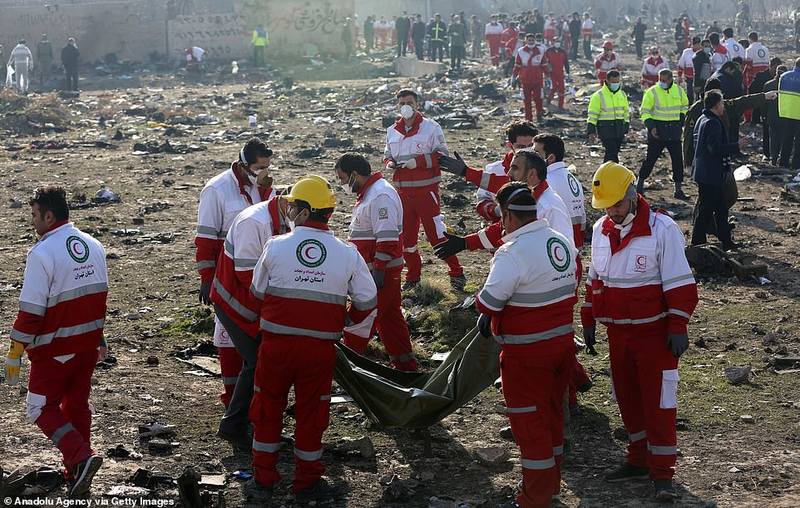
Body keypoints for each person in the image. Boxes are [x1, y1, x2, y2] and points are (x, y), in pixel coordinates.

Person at [245, 176, 377, 505]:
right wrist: (345, 319)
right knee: (311, 414)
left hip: (276, 347)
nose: (287, 210)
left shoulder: (275, 246)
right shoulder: (348, 253)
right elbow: (368, 300)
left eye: (292, 206)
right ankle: (307, 480)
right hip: (319, 350)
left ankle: (263, 478)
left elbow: (256, 293)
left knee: (267, 407)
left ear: (304, 212)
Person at [581, 162, 698, 502]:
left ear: (633, 196)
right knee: (628, 399)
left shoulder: (662, 229)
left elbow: (680, 282)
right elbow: (595, 280)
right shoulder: (601, 230)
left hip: (655, 336)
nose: (613, 212)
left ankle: (662, 473)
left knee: (660, 403)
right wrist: (589, 317)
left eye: (617, 204)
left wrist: (678, 325)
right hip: (617, 335)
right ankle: (638, 459)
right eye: (607, 207)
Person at [475, 181, 578, 508]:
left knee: (529, 426)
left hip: (526, 356)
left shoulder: (512, 253)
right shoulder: (560, 242)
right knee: (552, 418)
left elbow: (489, 302)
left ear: (508, 216)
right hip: (561, 347)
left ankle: (535, 498)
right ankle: (552, 486)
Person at [6, 185, 108, 497]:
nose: (32, 221)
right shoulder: (93, 245)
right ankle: (76, 470)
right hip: (87, 346)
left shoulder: (42, 254)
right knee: (76, 405)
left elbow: (32, 311)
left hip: (55, 349)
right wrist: (99, 339)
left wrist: (15, 351)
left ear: (49, 216)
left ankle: (81, 456)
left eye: (35, 215)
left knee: (39, 407)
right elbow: (93, 298)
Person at [195, 138, 275, 411]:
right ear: (243, 164)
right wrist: (207, 278)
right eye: (258, 167)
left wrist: (265, 191)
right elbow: (205, 238)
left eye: (266, 166)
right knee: (228, 335)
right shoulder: (217, 190)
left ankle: (250, 393)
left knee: (253, 332)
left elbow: (270, 219)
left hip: (256, 271)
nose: (263, 172)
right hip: (227, 275)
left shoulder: (264, 187)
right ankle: (232, 395)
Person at [210, 192, 287, 449]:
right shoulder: (253, 223)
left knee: (261, 360)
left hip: (253, 300)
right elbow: (246, 276)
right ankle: (234, 425)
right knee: (257, 361)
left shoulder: (288, 218)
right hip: (234, 300)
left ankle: (252, 422)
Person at [334, 154, 417, 371]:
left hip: (379, 273)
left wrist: (378, 269)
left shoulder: (380, 195)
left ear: (354, 174)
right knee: (389, 319)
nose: (342, 184)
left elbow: (387, 237)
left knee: (362, 318)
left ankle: (349, 367)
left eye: (342, 178)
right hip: (378, 270)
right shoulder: (371, 193)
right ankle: (405, 366)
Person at [383, 89, 465, 290]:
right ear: (397, 105)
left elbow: (442, 157)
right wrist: (389, 163)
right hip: (402, 194)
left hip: (426, 192)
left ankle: (457, 273)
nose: (406, 106)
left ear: (417, 104)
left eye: (409, 102)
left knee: (437, 235)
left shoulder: (431, 128)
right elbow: (387, 154)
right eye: (402, 102)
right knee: (407, 240)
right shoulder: (392, 131)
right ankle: (413, 277)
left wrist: (418, 162)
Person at [690, 90, 747, 250]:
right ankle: (697, 242)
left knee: (720, 209)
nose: (723, 106)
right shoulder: (713, 122)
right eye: (722, 103)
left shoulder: (703, 118)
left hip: (705, 172)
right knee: (707, 210)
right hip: (711, 174)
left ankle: (726, 241)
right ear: (716, 105)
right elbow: (714, 149)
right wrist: (737, 146)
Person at [682, 77, 775, 172]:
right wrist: (688, 162)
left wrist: (764, 96)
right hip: (705, 161)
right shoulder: (697, 111)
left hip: (719, 161)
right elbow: (689, 136)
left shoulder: (723, 106)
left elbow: (742, 102)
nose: (722, 100)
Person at [637, 69, 689, 199]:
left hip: (674, 131)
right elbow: (644, 111)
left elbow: (685, 106)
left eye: (664, 80)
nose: (662, 83)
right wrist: (651, 127)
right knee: (650, 159)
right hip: (658, 132)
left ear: (671, 79)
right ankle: (639, 184)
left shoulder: (678, 90)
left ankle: (678, 190)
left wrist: (681, 119)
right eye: (660, 80)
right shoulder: (652, 92)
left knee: (677, 161)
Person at [588, 70, 630, 163]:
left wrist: (626, 124)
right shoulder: (598, 96)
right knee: (612, 151)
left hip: (619, 127)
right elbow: (593, 114)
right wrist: (591, 130)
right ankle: (608, 172)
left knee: (612, 153)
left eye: (617, 81)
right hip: (605, 127)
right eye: (613, 82)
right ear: (607, 81)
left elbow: (626, 111)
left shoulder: (622, 94)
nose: (616, 84)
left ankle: (608, 173)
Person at [513, 33, 547, 122]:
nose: (531, 42)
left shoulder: (541, 50)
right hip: (525, 80)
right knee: (526, 101)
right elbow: (517, 66)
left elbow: (544, 65)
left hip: (537, 79)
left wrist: (548, 77)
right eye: (529, 40)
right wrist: (513, 77)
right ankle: (529, 120)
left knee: (539, 99)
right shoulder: (521, 51)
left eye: (532, 40)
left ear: (535, 40)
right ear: (525, 41)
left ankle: (539, 115)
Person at [778, 58, 800, 169]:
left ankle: (783, 162)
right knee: (798, 142)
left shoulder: (784, 76)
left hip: (785, 112)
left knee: (786, 139)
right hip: (799, 114)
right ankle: (796, 164)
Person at [764, 65, 788, 164]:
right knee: (784, 138)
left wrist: (764, 115)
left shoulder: (768, 84)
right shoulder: (789, 86)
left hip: (772, 116)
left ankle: (773, 159)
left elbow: (763, 102)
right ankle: (782, 159)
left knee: (773, 138)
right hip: (785, 115)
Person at [543, 38, 570, 110]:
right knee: (554, 87)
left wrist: (568, 72)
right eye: (555, 41)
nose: (557, 43)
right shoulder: (549, 51)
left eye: (558, 42)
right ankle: (549, 100)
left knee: (562, 88)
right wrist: (546, 70)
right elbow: (544, 61)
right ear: (553, 42)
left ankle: (560, 105)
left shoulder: (563, 51)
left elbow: (566, 63)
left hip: (560, 72)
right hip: (551, 73)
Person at [677, 37, 701, 104]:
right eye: (695, 44)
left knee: (699, 95)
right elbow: (681, 64)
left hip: (699, 78)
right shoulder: (686, 52)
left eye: (698, 44)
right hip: (689, 77)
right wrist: (679, 76)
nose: (696, 46)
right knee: (689, 93)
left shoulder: (703, 53)